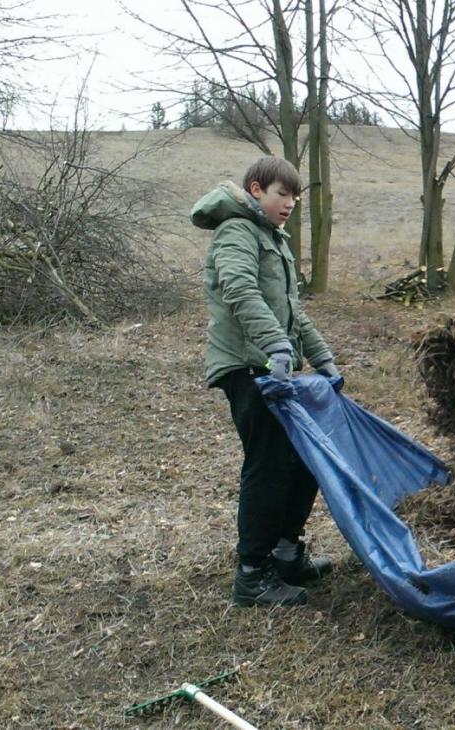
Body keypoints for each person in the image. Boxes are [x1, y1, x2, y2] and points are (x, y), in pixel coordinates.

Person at [192, 156, 338, 607]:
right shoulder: (237, 232)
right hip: (247, 367)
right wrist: (276, 346)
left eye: (295, 196)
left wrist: (323, 359)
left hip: (273, 366)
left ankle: (286, 553)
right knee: (269, 467)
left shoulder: (272, 238)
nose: (291, 203)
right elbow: (239, 291)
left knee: (302, 461)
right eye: (282, 193)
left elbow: (294, 311)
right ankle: (252, 575)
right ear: (256, 190)